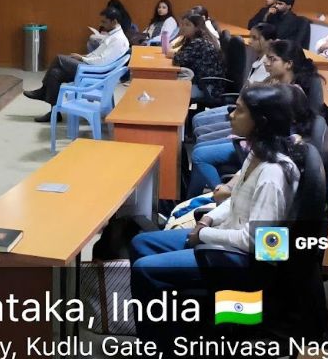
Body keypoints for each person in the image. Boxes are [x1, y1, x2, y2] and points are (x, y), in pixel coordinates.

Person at [130, 84, 301, 294]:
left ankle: (163, 313)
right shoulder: (257, 152)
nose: (231, 115)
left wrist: (204, 234)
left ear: (260, 122)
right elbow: (237, 197)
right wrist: (208, 218)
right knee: (140, 243)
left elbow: (256, 242)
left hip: (245, 262)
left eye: (240, 110)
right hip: (228, 237)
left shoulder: (273, 174)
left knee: (144, 269)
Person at [187, 41, 317, 196]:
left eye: (273, 59)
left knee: (199, 154)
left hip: (262, 143)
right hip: (255, 137)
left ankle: (219, 195)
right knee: (199, 149)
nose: (267, 63)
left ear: (288, 64)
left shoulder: (290, 95)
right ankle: (193, 195)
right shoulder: (277, 84)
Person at [23, 6, 128, 121]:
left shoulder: (118, 39)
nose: (101, 24)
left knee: (59, 58)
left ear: (114, 21)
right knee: (55, 73)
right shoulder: (113, 35)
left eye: (104, 22)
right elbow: (99, 55)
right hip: (92, 67)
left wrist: (82, 59)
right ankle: (54, 114)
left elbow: (101, 62)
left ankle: (43, 91)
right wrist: (84, 56)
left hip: (95, 72)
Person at [189, 22, 276, 142]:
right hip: (239, 105)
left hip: (246, 113)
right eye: (250, 37)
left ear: (270, 42)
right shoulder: (258, 60)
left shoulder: (269, 66)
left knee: (199, 124)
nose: (250, 42)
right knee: (197, 119)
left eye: (255, 38)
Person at [165, 12, 226, 104]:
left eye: (187, 25)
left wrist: (173, 55)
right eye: (182, 24)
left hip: (206, 87)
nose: (183, 27)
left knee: (169, 91)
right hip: (200, 83)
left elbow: (179, 59)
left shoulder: (199, 42)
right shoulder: (193, 40)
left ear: (197, 28)